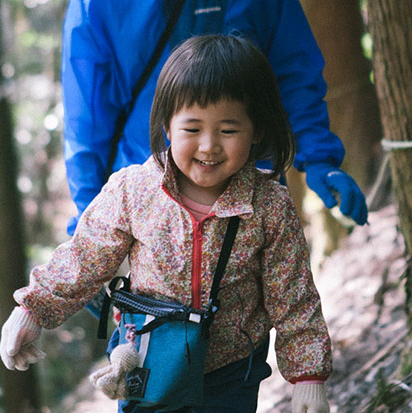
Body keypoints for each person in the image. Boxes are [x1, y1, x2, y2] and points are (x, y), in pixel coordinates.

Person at [0, 35, 332, 413]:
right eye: (193, 127)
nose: (209, 145)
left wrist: (308, 374)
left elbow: (293, 295)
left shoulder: (268, 206)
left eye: (229, 129)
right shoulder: (133, 191)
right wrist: (33, 309)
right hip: (145, 359)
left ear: (257, 131)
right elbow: (85, 257)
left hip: (229, 367)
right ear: (166, 125)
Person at [60, 0, 368, 238]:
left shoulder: (270, 210)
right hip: (146, 202)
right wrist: (90, 220)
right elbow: (86, 115)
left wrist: (319, 160)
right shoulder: (97, 5)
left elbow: (293, 71)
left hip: (250, 193)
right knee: (151, 316)